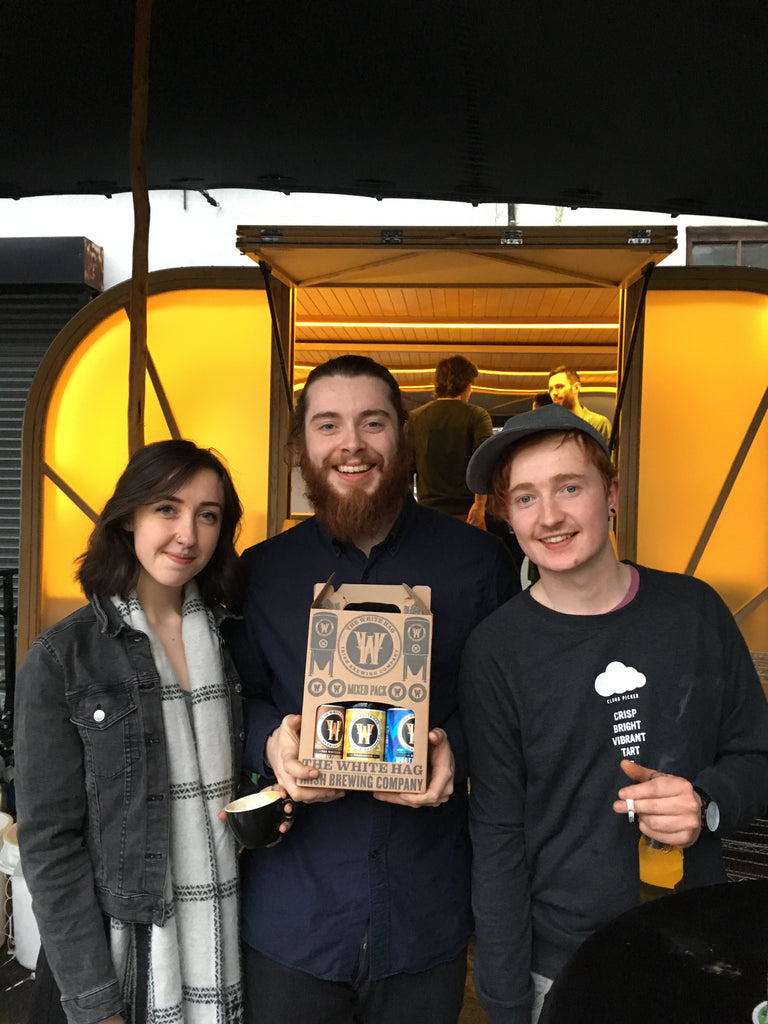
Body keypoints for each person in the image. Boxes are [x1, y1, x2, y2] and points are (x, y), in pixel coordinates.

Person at [227, 355, 519, 1024]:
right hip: (292, 917)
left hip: (425, 914)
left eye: (373, 423)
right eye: (328, 424)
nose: (351, 443)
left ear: (404, 440)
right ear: (302, 447)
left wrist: (459, 754)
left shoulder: (476, 564)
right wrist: (269, 737)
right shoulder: (262, 572)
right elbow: (231, 699)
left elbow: (508, 709)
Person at [459, 403, 768, 1024]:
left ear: (612, 493)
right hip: (564, 964)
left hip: (697, 946)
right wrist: (504, 998)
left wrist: (705, 802)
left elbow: (758, 756)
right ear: (507, 516)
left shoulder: (694, 612)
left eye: (569, 487)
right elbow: (497, 832)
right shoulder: (495, 650)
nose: (549, 516)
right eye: (524, 497)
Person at [14, 440, 251, 1024]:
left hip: (231, 939)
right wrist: (97, 1004)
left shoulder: (232, 642)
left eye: (208, 515)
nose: (187, 534)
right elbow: (49, 843)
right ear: (128, 517)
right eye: (167, 509)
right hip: (117, 959)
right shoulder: (62, 657)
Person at [409, 354, 492, 528]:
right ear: (466, 385)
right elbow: (485, 460)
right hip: (468, 512)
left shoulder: (416, 418)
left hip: (427, 513)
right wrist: (479, 505)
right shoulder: (477, 415)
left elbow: (407, 470)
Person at [547, 365, 611, 442]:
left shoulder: (599, 424)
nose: (554, 393)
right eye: (551, 389)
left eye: (559, 387)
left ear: (576, 388)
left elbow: (609, 454)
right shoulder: (550, 426)